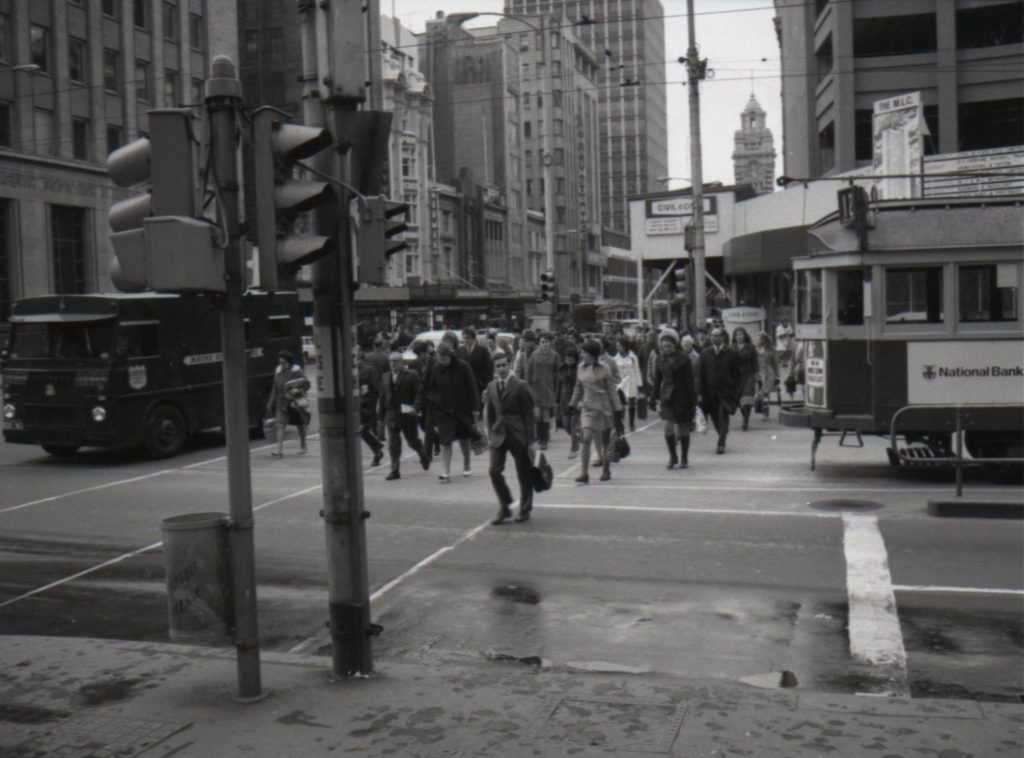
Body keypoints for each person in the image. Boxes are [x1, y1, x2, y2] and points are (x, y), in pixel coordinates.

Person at [484, 351, 537, 524]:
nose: (501, 369)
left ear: (510, 365)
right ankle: (505, 505)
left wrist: (531, 440)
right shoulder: (491, 386)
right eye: (498, 366)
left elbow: (529, 414)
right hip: (499, 435)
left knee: (524, 473)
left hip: (518, 434)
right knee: (493, 470)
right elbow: (491, 413)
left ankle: (525, 508)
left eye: (504, 365)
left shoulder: (521, 385)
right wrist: (490, 432)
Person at [423, 342, 480, 482]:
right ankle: (445, 471)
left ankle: (467, 464)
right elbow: (429, 389)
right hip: (443, 411)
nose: (442, 361)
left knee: (464, 438)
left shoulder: (463, 366)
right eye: (439, 357)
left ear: (450, 355)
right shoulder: (436, 368)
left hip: (462, 409)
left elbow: (472, 388)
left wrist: (475, 408)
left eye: (445, 358)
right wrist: (437, 399)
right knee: (445, 441)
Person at [570, 339, 619, 483]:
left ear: (592, 354)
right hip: (588, 407)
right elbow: (578, 388)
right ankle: (584, 473)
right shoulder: (580, 368)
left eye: (584, 352)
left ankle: (606, 469)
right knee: (586, 438)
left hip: (604, 408)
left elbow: (611, 390)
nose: (582, 355)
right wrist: (572, 404)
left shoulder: (605, 368)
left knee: (604, 442)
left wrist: (618, 409)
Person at [378, 351, 431, 480]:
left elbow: (419, 392)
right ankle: (395, 470)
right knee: (393, 444)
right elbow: (382, 397)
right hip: (391, 415)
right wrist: (380, 417)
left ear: (402, 362)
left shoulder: (411, 375)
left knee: (412, 441)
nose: (393, 364)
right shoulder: (385, 377)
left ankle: (422, 454)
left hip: (407, 414)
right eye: (391, 361)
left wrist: (415, 407)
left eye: (396, 361)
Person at [652, 328, 697, 469]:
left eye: (669, 345)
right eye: (664, 346)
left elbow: (690, 381)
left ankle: (684, 457)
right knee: (668, 429)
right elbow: (657, 379)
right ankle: (673, 456)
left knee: (683, 429)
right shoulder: (659, 358)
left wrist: (693, 402)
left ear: (675, 344)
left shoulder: (684, 358)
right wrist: (653, 398)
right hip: (667, 397)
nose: (667, 348)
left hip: (682, 396)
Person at [698, 327, 743, 454]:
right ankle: (722, 433)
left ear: (723, 337)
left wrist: (734, 389)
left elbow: (737, 374)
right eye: (712, 335)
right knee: (715, 418)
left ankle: (721, 442)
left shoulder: (731, 353)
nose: (714, 338)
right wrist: (700, 393)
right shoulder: (705, 353)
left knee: (723, 415)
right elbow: (700, 374)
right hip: (709, 392)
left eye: (717, 335)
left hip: (725, 392)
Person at [266, 350, 310, 457]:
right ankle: (279, 451)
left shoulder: (297, 371)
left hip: (295, 403)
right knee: (280, 425)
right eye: (280, 362)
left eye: (283, 362)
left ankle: (303, 445)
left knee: (300, 425)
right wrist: (270, 403)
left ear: (289, 363)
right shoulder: (277, 372)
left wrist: (297, 390)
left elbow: (306, 384)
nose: (281, 365)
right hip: (281, 403)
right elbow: (274, 389)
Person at [526, 332, 560, 450]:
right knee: (537, 415)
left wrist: (556, 388)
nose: (544, 344)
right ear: (539, 343)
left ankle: (544, 440)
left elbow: (557, 372)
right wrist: (528, 386)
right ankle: (540, 436)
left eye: (546, 342)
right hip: (535, 387)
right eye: (542, 342)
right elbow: (529, 372)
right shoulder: (534, 355)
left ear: (550, 343)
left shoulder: (555, 355)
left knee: (545, 415)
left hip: (548, 387)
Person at [356, 345, 384, 467]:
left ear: (360, 353)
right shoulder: (345, 368)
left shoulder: (368, 370)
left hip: (366, 407)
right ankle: (377, 450)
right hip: (352, 407)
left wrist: (367, 402)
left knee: (364, 431)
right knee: (359, 432)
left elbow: (375, 390)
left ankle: (377, 452)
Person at [613, 336, 644, 432]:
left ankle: (631, 423)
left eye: (620, 346)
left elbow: (637, 370)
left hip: (631, 382)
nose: (618, 348)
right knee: (621, 404)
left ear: (625, 346)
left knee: (631, 404)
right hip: (620, 383)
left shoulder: (633, 357)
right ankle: (621, 423)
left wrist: (639, 385)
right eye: (617, 346)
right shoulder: (615, 358)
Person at [556, 347, 581, 458]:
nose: (569, 362)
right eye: (567, 359)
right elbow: (559, 385)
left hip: (576, 400)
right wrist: (556, 400)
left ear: (575, 359)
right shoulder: (561, 369)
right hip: (564, 399)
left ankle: (573, 449)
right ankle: (579, 439)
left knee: (574, 424)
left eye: (571, 360)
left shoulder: (580, 369)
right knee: (566, 425)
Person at [732, 327, 759, 431]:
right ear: (734, 337)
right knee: (738, 399)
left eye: (741, 334)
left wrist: (757, 376)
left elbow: (755, 362)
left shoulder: (751, 347)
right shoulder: (732, 347)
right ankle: (745, 417)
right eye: (737, 335)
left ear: (745, 335)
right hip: (736, 376)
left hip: (748, 374)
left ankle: (746, 420)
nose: (739, 337)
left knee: (747, 398)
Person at [681, 334, 707, 433]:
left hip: (693, 384)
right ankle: (687, 421)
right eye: (684, 344)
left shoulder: (697, 357)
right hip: (682, 384)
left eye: (687, 343)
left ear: (691, 344)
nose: (685, 345)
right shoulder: (680, 356)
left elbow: (700, 373)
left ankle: (691, 422)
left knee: (692, 404)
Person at [462, 326, 494, 405]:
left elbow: (488, 371)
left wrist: (486, 387)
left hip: (479, 387)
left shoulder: (483, 351)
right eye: (464, 338)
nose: (465, 340)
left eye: (468, 338)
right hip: (463, 388)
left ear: (473, 338)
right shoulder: (460, 351)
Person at [755, 331, 780, 421]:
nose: (757, 340)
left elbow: (776, 363)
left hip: (769, 374)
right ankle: (761, 409)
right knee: (759, 394)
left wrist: (777, 376)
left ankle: (765, 413)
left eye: (759, 339)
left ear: (764, 340)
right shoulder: (755, 350)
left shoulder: (771, 350)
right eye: (757, 339)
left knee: (766, 394)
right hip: (759, 374)